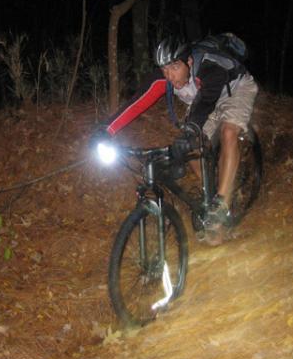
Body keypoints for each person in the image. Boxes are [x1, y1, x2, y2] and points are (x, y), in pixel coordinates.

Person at [97, 35, 258, 231]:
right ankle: (214, 194)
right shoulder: (164, 79)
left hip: (235, 91)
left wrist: (191, 129)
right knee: (189, 150)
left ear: (189, 61)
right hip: (203, 100)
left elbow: (206, 101)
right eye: (165, 69)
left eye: (175, 67)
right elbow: (137, 103)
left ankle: (223, 204)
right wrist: (106, 130)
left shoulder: (209, 66)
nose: (170, 76)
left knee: (228, 132)